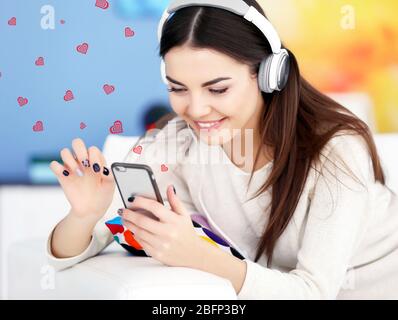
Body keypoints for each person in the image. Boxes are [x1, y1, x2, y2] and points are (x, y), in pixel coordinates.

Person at [47, 0, 398, 299]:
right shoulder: (176, 145)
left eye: (217, 89)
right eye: (178, 88)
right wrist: (85, 215)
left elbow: (312, 292)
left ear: (268, 75)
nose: (196, 109)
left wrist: (199, 255)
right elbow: (67, 255)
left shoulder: (336, 151)